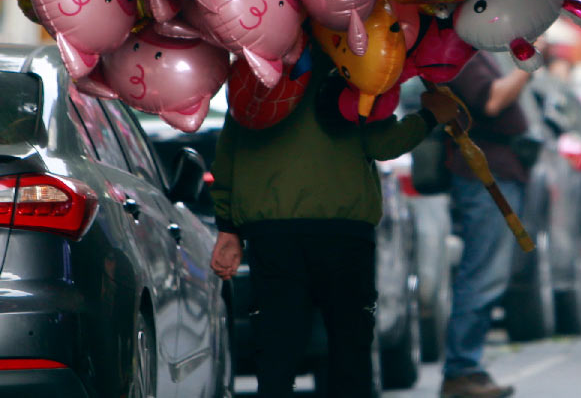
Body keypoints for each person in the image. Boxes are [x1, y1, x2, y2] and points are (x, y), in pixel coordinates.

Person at [210, 46, 462, 398]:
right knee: (350, 347)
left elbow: (228, 152)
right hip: (344, 231)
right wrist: (430, 116)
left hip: (273, 232)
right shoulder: (360, 68)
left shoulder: (256, 70)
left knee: (276, 347)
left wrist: (228, 227)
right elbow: (384, 143)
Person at [440, 51, 534, 398]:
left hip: (496, 171)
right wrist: (530, 64)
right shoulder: (458, 55)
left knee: (487, 273)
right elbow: (492, 101)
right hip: (485, 174)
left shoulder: (471, 51)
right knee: (482, 274)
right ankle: (462, 368)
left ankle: (467, 368)